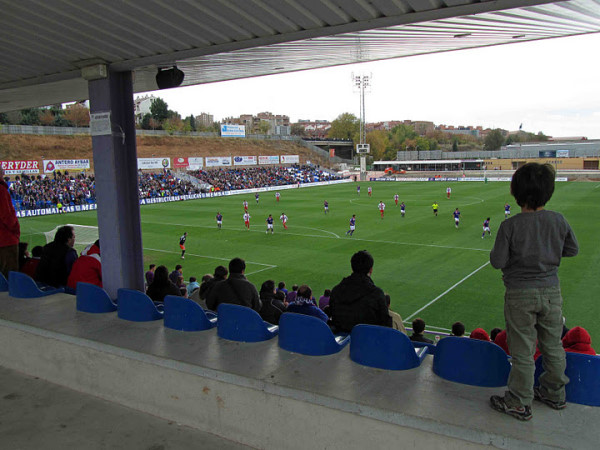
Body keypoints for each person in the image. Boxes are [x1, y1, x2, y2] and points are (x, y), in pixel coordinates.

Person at [489, 162, 579, 421]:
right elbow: (572, 250)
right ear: (547, 192)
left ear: (515, 192)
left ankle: (519, 401)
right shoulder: (558, 220)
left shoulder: (511, 226)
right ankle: (554, 393)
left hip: (520, 295)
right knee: (553, 346)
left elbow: (497, 261)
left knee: (523, 351)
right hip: (551, 292)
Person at [329, 250, 391, 333]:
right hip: (367, 341)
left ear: (352, 267)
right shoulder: (376, 294)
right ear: (371, 270)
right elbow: (386, 327)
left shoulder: (336, 291)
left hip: (342, 341)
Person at [0, 166, 20, 277]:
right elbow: (6, 216)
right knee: (10, 274)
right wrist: (15, 231)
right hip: (6, 239)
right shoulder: (1, 190)